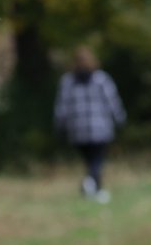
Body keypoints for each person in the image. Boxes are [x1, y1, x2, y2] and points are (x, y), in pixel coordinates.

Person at [53, 46, 127, 204]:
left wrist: (59, 126)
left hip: (77, 130)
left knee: (90, 161)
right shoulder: (101, 78)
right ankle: (92, 184)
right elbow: (112, 101)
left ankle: (95, 190)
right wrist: (120, 119)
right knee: (97, 161)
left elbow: (62, 107)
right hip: (99, 128)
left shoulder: (67, 81)